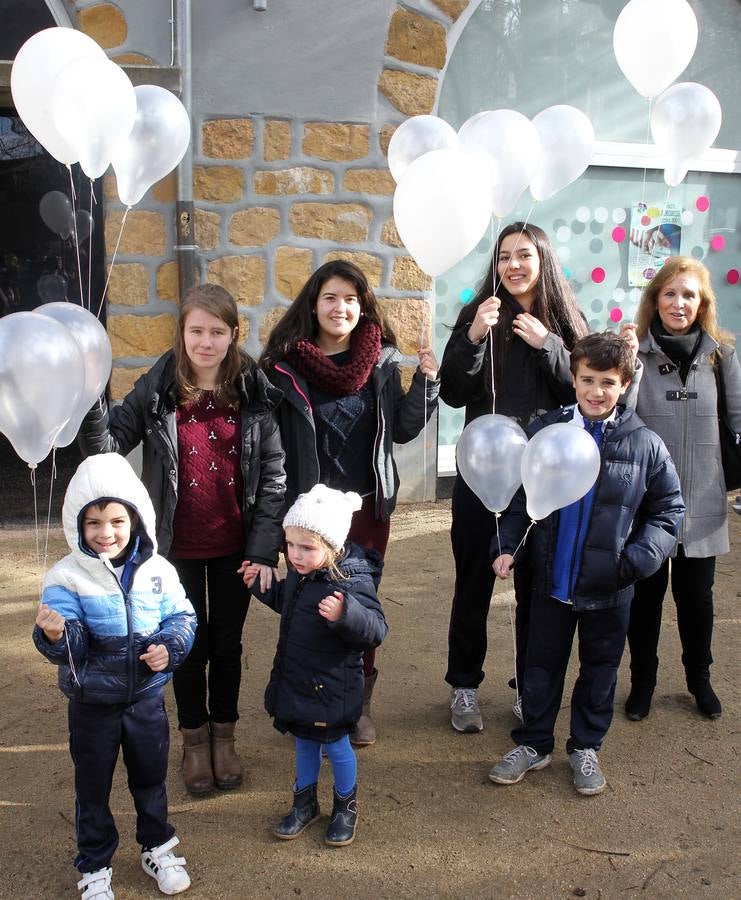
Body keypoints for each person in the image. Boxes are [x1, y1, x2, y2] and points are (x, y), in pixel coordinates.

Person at [78, 283, 286, 795]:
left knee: (228, 644)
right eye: (197, 331)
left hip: (238, 547)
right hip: (176, 550)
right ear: (183, 333)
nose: (206, 342)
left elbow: (275, 472)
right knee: (186, 646)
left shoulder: (254, 389)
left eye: (217, 332)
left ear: (233, 335)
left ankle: (224, 738)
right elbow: (107, 447)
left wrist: (263, 548)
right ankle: (194, 742)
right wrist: (89, 401)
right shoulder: (158, 388)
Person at [487, 332, 684, 795]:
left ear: (625, 383)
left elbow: (669, 508)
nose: (596, 391)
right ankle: (534, 742)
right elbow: (520, 497)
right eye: (587, 380)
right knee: (539, 666)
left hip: (609, 587)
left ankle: (585, 747)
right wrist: (507, 545)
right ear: (573, 379)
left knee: (600, 669)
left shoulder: (645, 444)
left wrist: (635, 559)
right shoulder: (546, 431)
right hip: (550, 582)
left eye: (608, 382)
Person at [259, 259, 438, 745]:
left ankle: (356, 705)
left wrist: (426, 382)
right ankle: (306, 699)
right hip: (307, 519)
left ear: (363, 307)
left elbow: (401, 428)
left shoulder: (380, 361)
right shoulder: (282, 367)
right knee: (306, 605)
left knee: (357, 607)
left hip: (365, 513)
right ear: (313, 305)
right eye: (331, 298)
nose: (341, 308)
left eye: (351, 299)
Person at [439, 221, 588, 733]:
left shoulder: (564, 320)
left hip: (542, 479)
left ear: (542, 260)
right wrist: (474, 335)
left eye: (524, 254)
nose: (514, 265)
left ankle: (530, 687)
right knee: (473, 581)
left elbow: (582, 391)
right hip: (483, 476)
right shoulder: (478, 314)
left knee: (535, 587)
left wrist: (549, 344)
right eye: (504, 256)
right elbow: (454, 393)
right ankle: (463, 685)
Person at [33, 453, 197, 898]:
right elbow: (72, 647)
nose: (106, 533)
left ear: (136, 519)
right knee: (92, 786)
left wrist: (172, 646)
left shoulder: (158, 571)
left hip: (145, 700)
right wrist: (55, 633)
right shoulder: (66, 577)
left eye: (116, 521)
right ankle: (94, 863)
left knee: (150, 777)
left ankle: (157, 846)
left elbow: (182, 616)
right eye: (93, 523)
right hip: (92, 706)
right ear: (77, 526)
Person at [620, 257, 741, 720]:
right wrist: (629, 359)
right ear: (655, 301)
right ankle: (643, 683)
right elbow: (621, 414)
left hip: (705, 499)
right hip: (648, 504)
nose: (679, 303)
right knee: (645, 599)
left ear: (702, 303)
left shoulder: (721, 355)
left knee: (697, 599)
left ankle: (700, 681)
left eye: (688, 295)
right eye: (669, 293)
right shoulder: (639, 352)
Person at [241, 484, 388, 847]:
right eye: (289, 545)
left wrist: (346, 614)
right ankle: (304, 803)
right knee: (304, 745)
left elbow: (376, 629)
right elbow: (289, 604)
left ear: (333, 546)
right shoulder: (301, 574)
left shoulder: (352, 580)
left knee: (337, 748)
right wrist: (261, 587)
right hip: (298, 680)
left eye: (306, 548)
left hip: (333, 686)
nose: (295, 555)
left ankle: (345, 805)